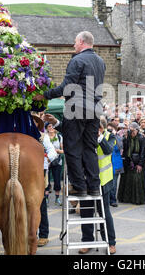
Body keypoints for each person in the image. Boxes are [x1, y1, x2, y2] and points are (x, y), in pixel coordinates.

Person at [43, 31, 106, 197]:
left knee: (72, 148)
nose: (73, 45)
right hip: (95, 109)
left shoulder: (76, 60)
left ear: (81, 41)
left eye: (75, 42)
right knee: (89, 148)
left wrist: (45, 95)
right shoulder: (100, 61)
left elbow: (66, 87)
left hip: (77, 108)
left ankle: (80, 186)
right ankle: (93, 186)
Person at [79, 120, 117, 255]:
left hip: (103, 181)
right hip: (86, 180)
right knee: (86, 213)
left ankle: (110, 242)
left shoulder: (110, 136)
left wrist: (99, 136)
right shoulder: (85, 135)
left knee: (104, 213)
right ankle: (87, 242)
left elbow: (108, 150)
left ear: (101, 127)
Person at [34, 116, 58, 247]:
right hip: (26, 173)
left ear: (38, 124)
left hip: (40, 173)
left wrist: (45, 161)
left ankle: (43, 235)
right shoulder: (25, 136)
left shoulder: (43, 137)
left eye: (34, 121)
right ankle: (32, 234)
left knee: (41, 204)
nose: (32, 123)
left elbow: (53, 153)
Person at [118, 122, 145, 205]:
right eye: (130, 130)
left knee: (136, 180)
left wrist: (140, 164)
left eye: (133, 130)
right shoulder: (127, 138)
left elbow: (142, 152)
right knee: (127, 179)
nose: (132, 133)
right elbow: (125, 150)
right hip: (128, 161)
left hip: (137, 161)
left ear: (137, 130)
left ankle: (138, 199)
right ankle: (126, 198)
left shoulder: (141, 138)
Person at [46, 122, 64, 206]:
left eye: (52, 126)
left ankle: (57, 198)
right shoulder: (44, 137)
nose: (51, 127)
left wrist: (56, 151)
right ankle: (46, 198)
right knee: (46, 180)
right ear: (46, 128)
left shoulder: (59, 137)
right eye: (49, 126)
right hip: (47, 161)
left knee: (57, 180)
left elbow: (63, 150)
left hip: (57, 161)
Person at [107, 122, 123, 207]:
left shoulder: (118, 138)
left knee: (113, 184)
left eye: (111, 129)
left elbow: (120, 146)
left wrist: (114, 136)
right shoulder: (105, 137)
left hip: (116, 163)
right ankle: (108, 199)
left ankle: (113, 199)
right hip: (107, 164)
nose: (109, 131)